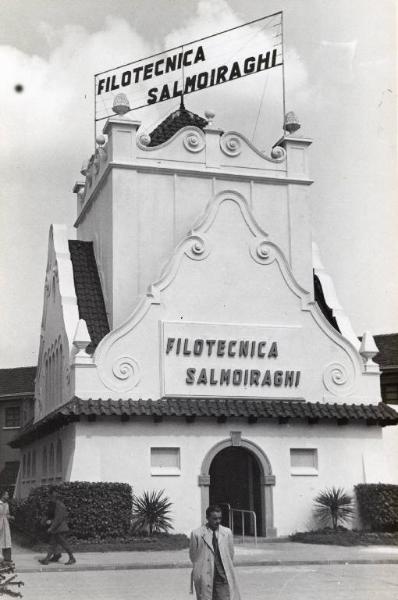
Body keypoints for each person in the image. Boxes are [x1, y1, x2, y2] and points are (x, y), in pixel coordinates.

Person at [189, 505, 241, 600]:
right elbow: (193, 556)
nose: (218, 521)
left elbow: (230, 554)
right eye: (214, 518)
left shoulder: (226, 532)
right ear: (207, 518)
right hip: (205, 576)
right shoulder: (197, 534)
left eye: (219, 518)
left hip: (222, 576)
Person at [38, 487, 76, 565]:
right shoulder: (54, 504)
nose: (49, 497)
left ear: (54, 495)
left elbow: (58, 519)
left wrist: (51, 527)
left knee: (64, 544)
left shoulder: (59, 505)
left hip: (60, 528)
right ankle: (48, 559)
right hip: (57, 528)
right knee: (52, 544)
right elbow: (51, 515)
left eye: (50, 496)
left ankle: (72, 558)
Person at [0, 490, 14, 566]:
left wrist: (10, 517)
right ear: (2, 495)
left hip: (5, 524)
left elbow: (7, 514)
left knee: (7, 540)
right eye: (7, 495)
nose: (8, 496)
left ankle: (7, 559)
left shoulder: (7, 504)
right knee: (1, 541)